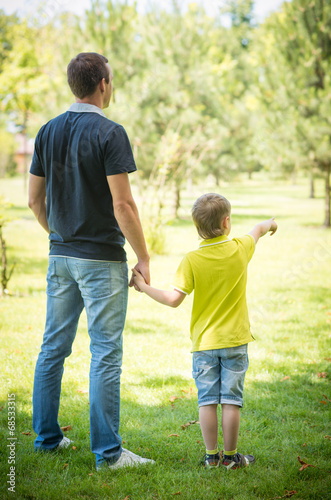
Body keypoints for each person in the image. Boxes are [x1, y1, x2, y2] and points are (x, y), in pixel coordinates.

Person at [28, 52, 154, 471]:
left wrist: (60, 235)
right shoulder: (111, 132)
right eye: (111, 81)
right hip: (101, 261)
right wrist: (144, 256)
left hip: (60, 256)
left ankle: (46, 440)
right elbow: (124, 205)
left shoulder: (46, 131)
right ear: (102, 84)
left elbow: (33, 200)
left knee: (52, 348)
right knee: (104, 353)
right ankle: (109, 455)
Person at [132, 193, 277, 470]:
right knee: (232, 401)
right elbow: (258, 229)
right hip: (235, 341)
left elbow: (173, 299)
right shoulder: (240, 247)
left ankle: (212, 458)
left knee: (207, 401)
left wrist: (144, 286)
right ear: (227, 222)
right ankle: (232, 458)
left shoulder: (192, 259)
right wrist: (270, 224)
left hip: (204, 345)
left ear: (197, 228)